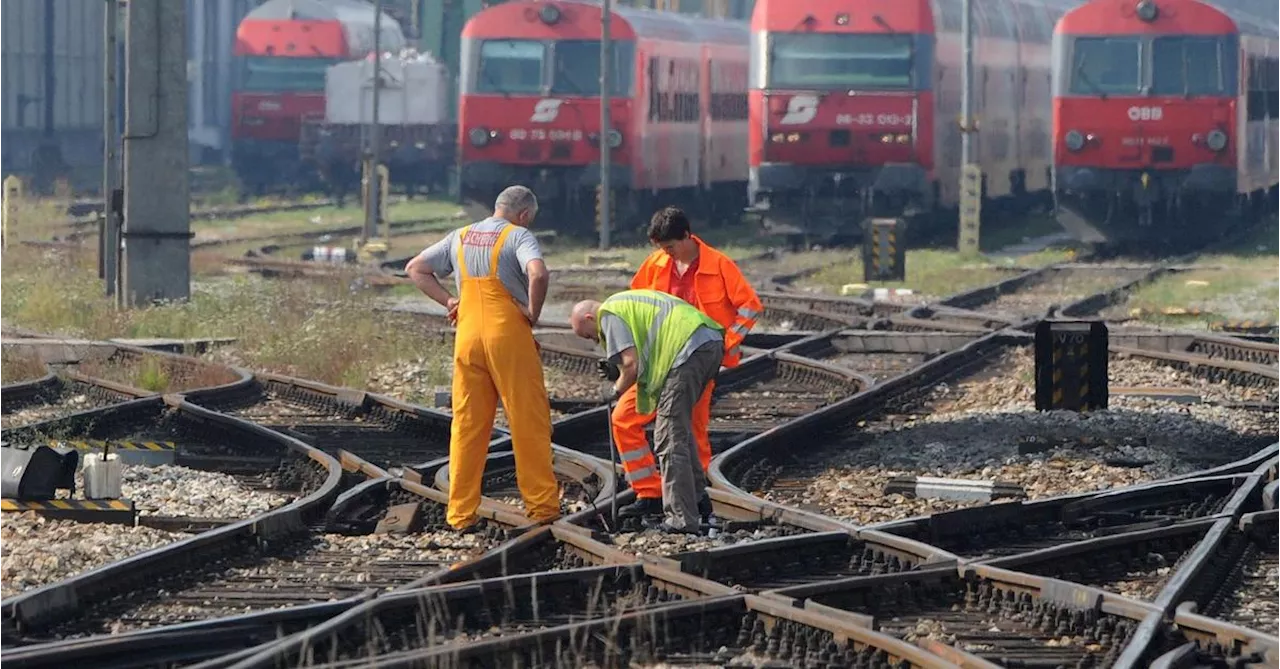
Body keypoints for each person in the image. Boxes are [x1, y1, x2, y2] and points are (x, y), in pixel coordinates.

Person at [405, 185, 559, 531]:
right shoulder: (519, 236)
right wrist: (533, 312)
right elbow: (538, 273)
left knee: (467, 426)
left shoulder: (460, 236)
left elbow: (415, 268)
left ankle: (460, 514)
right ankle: (542, 507)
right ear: (524, 215)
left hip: (468, 337)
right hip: (508, 337)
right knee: (527, 421)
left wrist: (448, 301)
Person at [603, 206, 763, 520]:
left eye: (671, 247)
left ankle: (699, 497)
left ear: (687, 237)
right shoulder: (656, 264)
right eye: (662, 248)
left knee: (692, 430)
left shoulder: (718, 265)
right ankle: (649, 491)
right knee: (624, 418)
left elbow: (750, 307)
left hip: (696, 362)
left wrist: (725, 343)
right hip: (657, 364)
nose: (666, 254)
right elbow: (634, 306)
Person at [570, 290, 725, 534]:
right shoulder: (625, 304)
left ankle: (681, 520)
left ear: (590, 317)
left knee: (669, 438)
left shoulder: (609, 314)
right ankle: (698, 504)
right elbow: (644, 355)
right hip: (706, 343)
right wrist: (618, 370)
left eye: (590, 335)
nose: (595, 340)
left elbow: (632, 365)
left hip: (687, 351)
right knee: (679, 434)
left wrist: (614, 389)